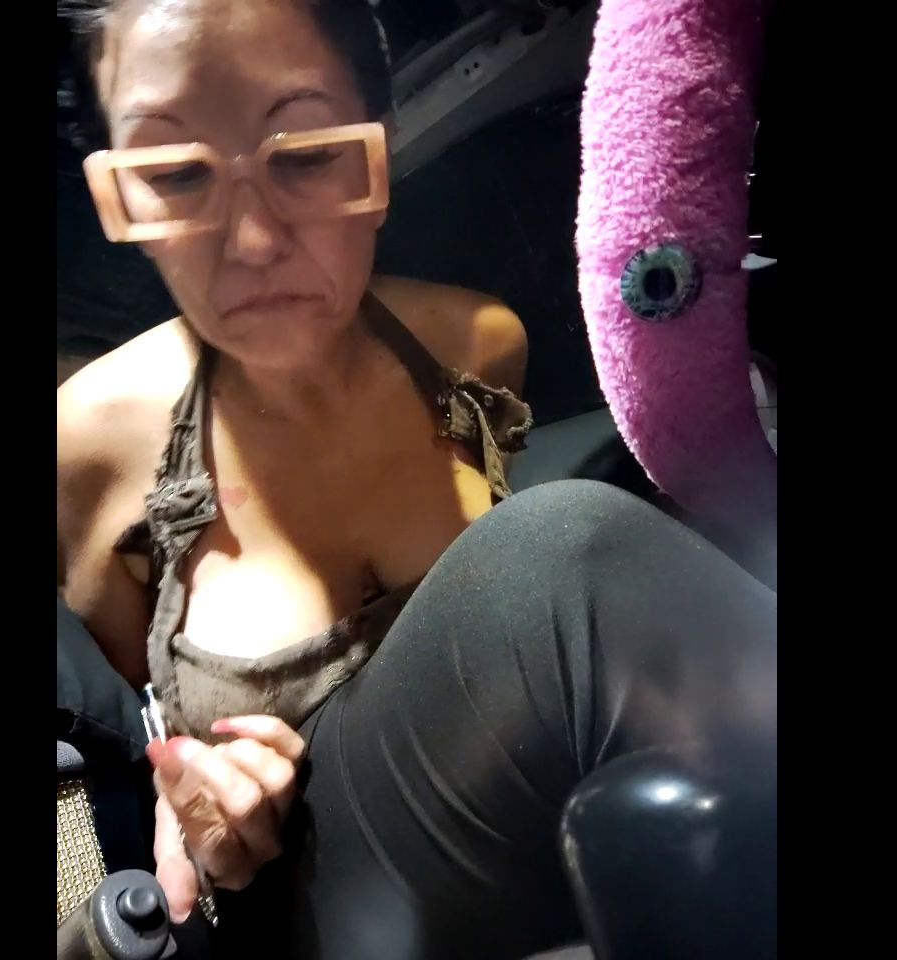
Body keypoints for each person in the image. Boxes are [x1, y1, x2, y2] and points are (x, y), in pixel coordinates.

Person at [57, 2, 776, 956]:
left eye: (309, 155)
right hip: (309, 905)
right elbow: (125, 717)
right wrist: (190, 795)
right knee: (560, 553)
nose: (255, 241)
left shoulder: (474, 344)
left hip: (528, 837)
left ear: (379, 154)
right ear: (117, 195)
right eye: (175, 176)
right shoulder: (89, 448)